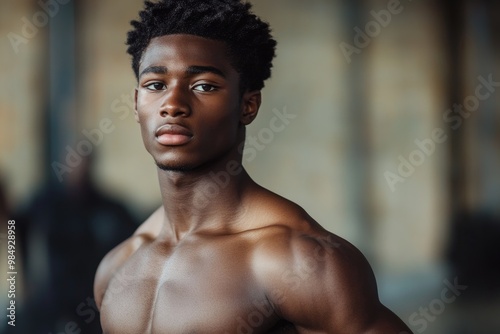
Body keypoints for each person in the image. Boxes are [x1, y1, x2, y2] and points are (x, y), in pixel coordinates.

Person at [94, 1, 413, 333]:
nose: (172, 105)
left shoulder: (298, 260)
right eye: (156, 85)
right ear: (136, 103)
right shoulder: (119, 264)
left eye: (204, 86)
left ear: (248, 105)